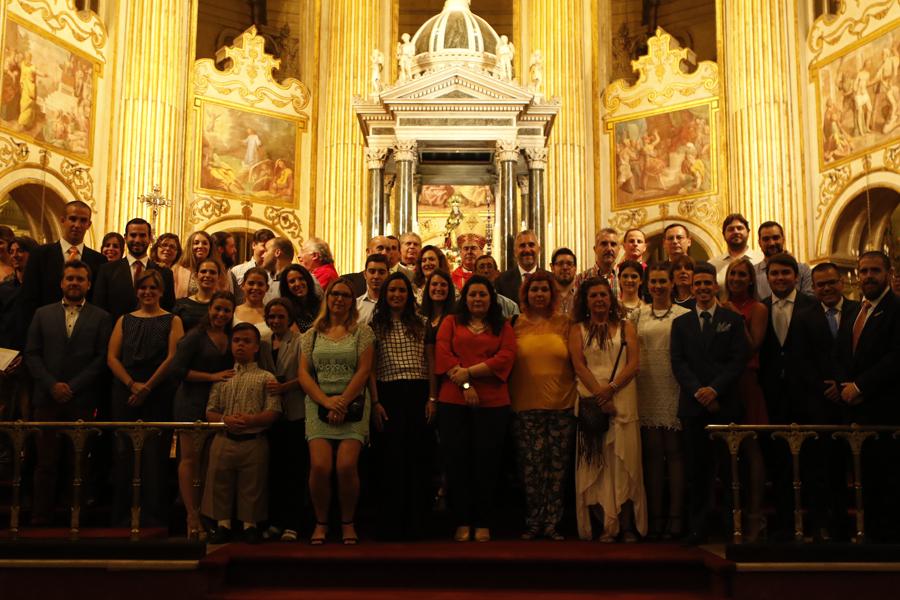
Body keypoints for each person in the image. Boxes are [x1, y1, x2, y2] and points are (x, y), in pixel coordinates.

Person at [25, 261, 111, 525]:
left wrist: (73, 386)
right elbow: (32, 353)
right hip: (47, 399)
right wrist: (52, 384)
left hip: (82, 399)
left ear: (89, 284)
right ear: (62, 282)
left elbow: (101, 358)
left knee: (78, 462)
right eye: (70, 278)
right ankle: (42, 517)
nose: (74, 283)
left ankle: (77, 515)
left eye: (80, 279)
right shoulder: (42, 313)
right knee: (45, 462)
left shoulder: (101, 317)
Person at [670, 262, 748, 544]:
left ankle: (731, 527)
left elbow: (738, 360)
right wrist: (698, 392)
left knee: (730, 472)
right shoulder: (680, 323)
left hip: (726, 404)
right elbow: (678, 363)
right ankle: (697, 528)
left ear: (715, 286)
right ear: (691, 289)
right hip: (693, 406)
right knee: (697, 471)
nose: (702, 288)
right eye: (697, 284)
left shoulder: (733, 319)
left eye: (707, 283)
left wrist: (715, 390)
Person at [435, 275, 516, 543]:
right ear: (464, 298)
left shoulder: (502, 325)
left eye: (482, 295)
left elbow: (505, 356)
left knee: (488, 463)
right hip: (453, 401)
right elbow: (443, 353)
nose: (477, 299)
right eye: (473, 295)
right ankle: (462, 519)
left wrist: (468, 372)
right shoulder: (451, 322)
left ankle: (483, 520)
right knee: (458, 462)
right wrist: (467, 383)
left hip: (493, 403)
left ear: (491, 298)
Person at [298, 277, 375, 545]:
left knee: (345, 466)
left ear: (351, 301)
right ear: (327, 298)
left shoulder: (362, 332)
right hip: (319, 404)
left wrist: (341, 401)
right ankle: (321, 522)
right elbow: (304, 375)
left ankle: (347, 522)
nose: (339, 299)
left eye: (344, 295)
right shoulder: (311, 334)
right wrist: (326, 402)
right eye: (334, 294)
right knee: (320, 466)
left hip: (352, 404)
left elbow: (364, 371)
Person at [569, 277, 645, 542]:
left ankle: (626, 525)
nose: (599, 300)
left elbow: (634, 364)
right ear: (586, 301)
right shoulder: (577, 329)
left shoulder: (626, 327)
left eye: (603, 295)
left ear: (611, 299)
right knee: (598, 465)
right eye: (593, 296)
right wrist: (601, 395)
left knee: (624, 463)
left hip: (623, 401)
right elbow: (579, 365)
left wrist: (610, 388)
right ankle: (604, 526)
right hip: (592, 404)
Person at [107, 268, 184, 526]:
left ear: (161, 291)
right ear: (137, 291)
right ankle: (122, 513)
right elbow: (112, 357)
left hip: (158, 390)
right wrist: (132, 384)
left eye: (153, 288)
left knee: (155, 455)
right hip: (125, 389)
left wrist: (147, 387)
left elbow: (173, 357)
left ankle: (153, 515)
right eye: (143, 288)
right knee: (124, 453)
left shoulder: (173, 320)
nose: (148, 292)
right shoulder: (124, 320)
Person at [834, 251, 900, 541]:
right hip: (854, 409)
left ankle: (886, 539)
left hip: (884, 408)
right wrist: (842, 386)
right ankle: (870, 534)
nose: (868, 276)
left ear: (889, 273)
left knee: (887, 479)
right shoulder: (854, 310)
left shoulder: (896, 308)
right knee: (865, 478)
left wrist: (860, 387)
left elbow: (896, 357)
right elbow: (843, 352)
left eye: (875, 270)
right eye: (864, 271)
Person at [509, 272, 577, 540]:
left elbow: (577, 361)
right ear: (526, 294)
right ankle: (533, 521)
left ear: (552, 294)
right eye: (534, 289)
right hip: (524, 407)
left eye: (544, 290)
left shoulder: (566, 323)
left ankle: (552, 522)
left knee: (557, 468)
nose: (539, 294)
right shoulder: (514, 323)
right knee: (531, 467)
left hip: (562, 405)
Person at [202, 322, 282, 545]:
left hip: (253, 439)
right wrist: (224, 420)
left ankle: (250, 524)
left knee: (253, 484)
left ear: (257, 347)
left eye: (247, 342)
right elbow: (210, 410)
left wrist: (252, 420)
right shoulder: (223, 377)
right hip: (224, 437)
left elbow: (274, 410)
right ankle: (223, 524)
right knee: (220, 481)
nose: (240, 346)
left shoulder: (267, 377)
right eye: (236, 341)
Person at [369, 272, 434, 540]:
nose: (397, 295)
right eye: (392, 290)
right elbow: (370, 369)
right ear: (385, 294)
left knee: (417, 459)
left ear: (409, 295)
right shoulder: (375, 325)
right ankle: (391, 524)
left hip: (418, 392)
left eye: (402, 291)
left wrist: (432, 398)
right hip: (388, 393)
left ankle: (417, 523)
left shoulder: (422, 322)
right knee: (391, 460)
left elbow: (431, 364)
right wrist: (375, 402)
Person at [630, 262, 689, 540]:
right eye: (653, 281)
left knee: (676, 453)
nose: (657, 286)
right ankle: (655, 517)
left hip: (674, 384)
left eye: (662, 281)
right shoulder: (637, 316)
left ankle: (676, 518)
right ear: (646, 284)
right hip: (646, 386)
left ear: (672, 283)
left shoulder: (684, 314)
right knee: (652, 454)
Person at [170, 291, 235, 538]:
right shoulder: (194, 337)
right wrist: (211, 377)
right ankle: (191, 516)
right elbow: (177, 371)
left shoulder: (230, 336)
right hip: (191, 401)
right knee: (190, 460)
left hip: (217, 404)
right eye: (217, 309)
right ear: (210, 309)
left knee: (209, 463)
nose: (221, 314)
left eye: (226, 310)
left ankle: (204, 514)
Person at [720, 257, 769, 542]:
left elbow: (753, 346)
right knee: (726, 453)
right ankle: (731, 514)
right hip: (724, 383)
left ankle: (754, 514)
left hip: (747, 381)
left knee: (751, 448)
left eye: (741, 274)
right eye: (732, 274)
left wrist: (735, 319)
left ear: (750, 279)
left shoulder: (758, 308)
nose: (736, 278)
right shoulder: (721, 304)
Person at [258, 298, 306, 542]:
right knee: (273, 470)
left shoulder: (301, 341)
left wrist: (284, 386)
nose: (275, 321)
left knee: (294, 470)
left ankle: (294, 522)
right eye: (272, 317)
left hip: (296, 412)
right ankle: (275, 520)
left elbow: (308, 376)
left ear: (289, 319)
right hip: (270, 414)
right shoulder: (262, 342)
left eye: (280, 317)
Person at [22, 200, 105, 319]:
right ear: (62, 220)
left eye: (83, 220)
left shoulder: (99, 260)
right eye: (72, 219)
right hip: (46, 324)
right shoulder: (40, 255)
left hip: (84, 328)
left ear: (89, 224)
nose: (77, 225)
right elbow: (28, 297)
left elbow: (98, 300)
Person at [93, 218, 176, 320]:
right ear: (125, 238)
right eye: (133, 235)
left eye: (142, 235)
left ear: (150, 238)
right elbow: (99, 308)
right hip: (116, 332)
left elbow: (169, 309)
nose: (137, 240)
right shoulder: (107, 271)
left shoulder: (164, 273)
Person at [754, 221, 813, 299]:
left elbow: (809, 301)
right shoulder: (753, 272)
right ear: (759, 243)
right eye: (766, 239)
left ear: (783, 239)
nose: (771, 243)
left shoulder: (803, 270)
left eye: (775, 238)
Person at [173, 231, 233, 300]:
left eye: (205, 243)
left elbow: (224, 296)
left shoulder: (219, 270)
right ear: (190, 246)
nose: (200, 246)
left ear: (210, 247)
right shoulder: (177, 270)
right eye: (196, 243)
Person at [709, 214, 763, 285]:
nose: (736, 232)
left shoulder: (761, 259)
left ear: (748, 232)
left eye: (740, 228)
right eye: (731, 229)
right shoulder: (713, 264)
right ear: (724, 235)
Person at [173, 259, 224, 332]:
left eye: (212, 272)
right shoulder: (180, 305)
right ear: (196, 275)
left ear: (219, 277)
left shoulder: (223, 306)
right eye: (203, 271)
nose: (207, 275)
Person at [495, 230, 542, 301]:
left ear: (539, 250)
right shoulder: (501, 281)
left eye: (531, 245)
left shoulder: (550, 279)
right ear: (515, 252)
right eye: (522, 246)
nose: (527, 250)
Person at [574, 228, 620, 299]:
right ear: (595, 249)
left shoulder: (626, 278)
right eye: (604, 244)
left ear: (618, 249)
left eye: (613, 244)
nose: (609, 249)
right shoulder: (581, 279)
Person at [233, 267, 272, 341]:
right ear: (243, 285)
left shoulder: (271, 314)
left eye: (260, 284)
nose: (255, 287)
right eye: (251, 283)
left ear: (267, 288)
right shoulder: (233, 311)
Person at [278, 264, 321, 332]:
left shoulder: (319, 303)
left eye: (301, 279)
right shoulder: (287, 311)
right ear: (286, 286)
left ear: (308, 280)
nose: (297, 283)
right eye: (292, 281)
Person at [356, 253, 388, 324]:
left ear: (388, 275)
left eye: (381, 272)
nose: (376, 276)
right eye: (372, 272)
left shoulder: (395, 306)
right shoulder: (355, 306)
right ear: (365, 274)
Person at [261, 237, 295, 304]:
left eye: (266, 251)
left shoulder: (304, 277)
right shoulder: (265, 279)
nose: (262, 255)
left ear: (277, 252)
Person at [551, 247, 578, 316]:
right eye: (560, 264)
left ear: (575, 268)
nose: (565, 267)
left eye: (569, 264)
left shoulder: (581, 296)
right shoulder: (547, 296)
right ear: (552, 267)